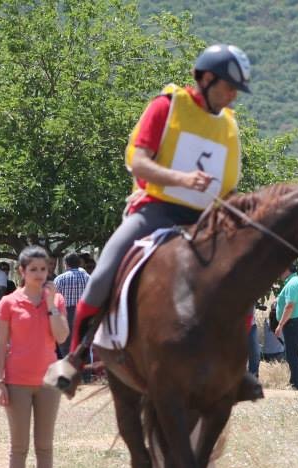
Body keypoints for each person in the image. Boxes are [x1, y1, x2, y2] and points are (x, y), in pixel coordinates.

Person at [70, 43, 251, 354]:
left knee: (242, 280)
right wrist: (182, 179)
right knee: (102, 273)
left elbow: (228, 188)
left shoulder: (229, 126)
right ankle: (75, 356)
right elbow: (138, 162)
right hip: (157, 210)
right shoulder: (167, 106)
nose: (233, 95)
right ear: (206, 78)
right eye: (229, 87)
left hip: (205, 219)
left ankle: (234, 360)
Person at [0, 246, 69, 468]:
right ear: (21, 271)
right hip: (17, 381)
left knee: (45, 444)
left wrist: (50, 306)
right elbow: (0, 345)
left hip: (50, 381)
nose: (39, 274)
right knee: (19, 445)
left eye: (44, 269)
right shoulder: (9, 302)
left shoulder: (56, 301)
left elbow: (61, 338)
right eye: (33, 269)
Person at [274, 264, 298, 391]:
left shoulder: (292, 283)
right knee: (292, 353)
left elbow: (290, 306)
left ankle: (297, 384)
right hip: (297, 321)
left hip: (293, 322)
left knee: (292, 354)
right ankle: (294, 381)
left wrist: (280, 325)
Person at [53, 253, 89, 357]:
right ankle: (85, 372)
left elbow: (54, 300)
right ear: (79, 263)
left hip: (65, 315)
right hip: (83, 315)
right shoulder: (88, 278)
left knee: (65, 346)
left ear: (66, 264)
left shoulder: (59, 279)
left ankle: (67, 369)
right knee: (83, 346)